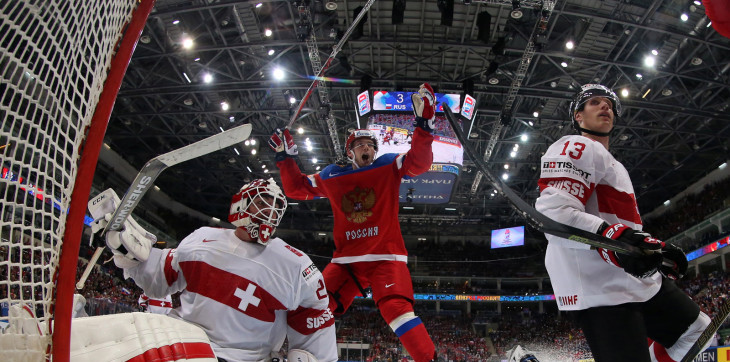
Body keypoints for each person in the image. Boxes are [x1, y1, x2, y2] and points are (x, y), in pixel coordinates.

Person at [535, 84, 711, 361]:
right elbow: (553, 215)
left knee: (697, 334)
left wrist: (653, 248)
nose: (605, 107)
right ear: (578, 117)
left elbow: (622, 226)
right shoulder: (577, 145)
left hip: (634, 278)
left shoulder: (615, 164)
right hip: (600, 288)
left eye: (609, 104)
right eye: (594, 102)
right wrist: (615, 239)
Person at [269, 83, 439, 362]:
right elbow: (296, 189)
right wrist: (285, 159)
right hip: (346, 261)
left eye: (370, 145)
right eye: (360, 145)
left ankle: (430, 359)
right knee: (313, 306)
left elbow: (419, 163)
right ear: (350, 152)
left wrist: (424, 125)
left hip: (385, 257)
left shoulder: (388, 165)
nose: (366, 148)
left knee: (396, 310)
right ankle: (284, 353)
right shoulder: (332, 175)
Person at [89, 178, 337, 362]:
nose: (269, 213)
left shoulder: (294, 264)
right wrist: (127, 251)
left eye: (275, 208)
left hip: (242, 358)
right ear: (241, 204)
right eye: (261, 203)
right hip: (183, 344)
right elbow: (159, 277)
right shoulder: (203, 238)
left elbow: (315, 316)